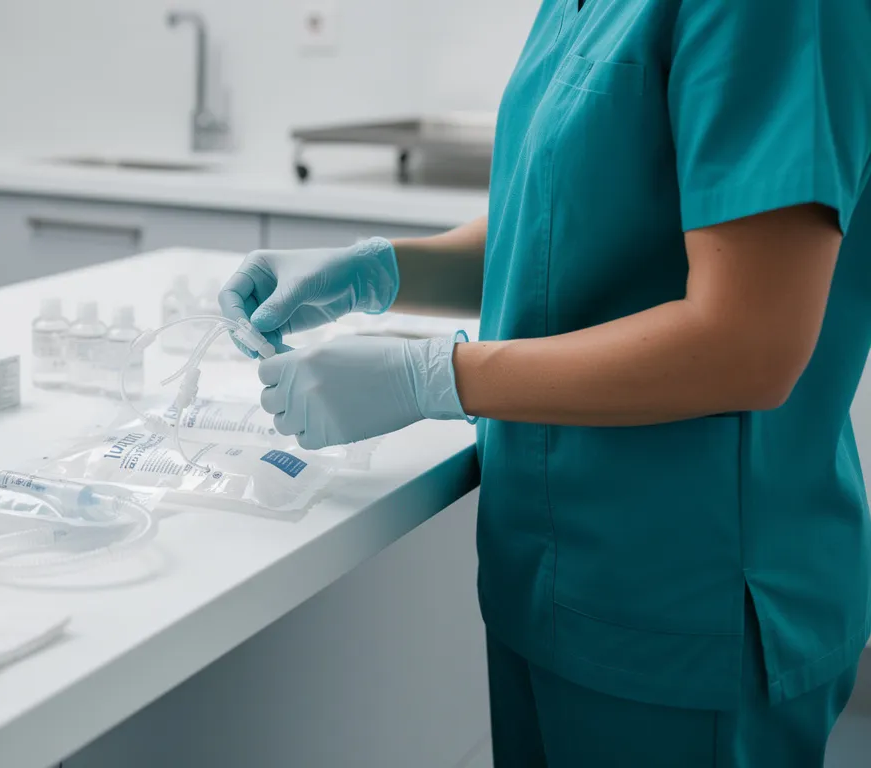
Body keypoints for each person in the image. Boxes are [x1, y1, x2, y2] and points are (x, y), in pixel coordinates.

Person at [219, 1, 871, 765]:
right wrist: (378, 271)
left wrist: (432, 377)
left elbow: (749, 342)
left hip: (690, 607)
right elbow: (562, 228)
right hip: (548, 580)